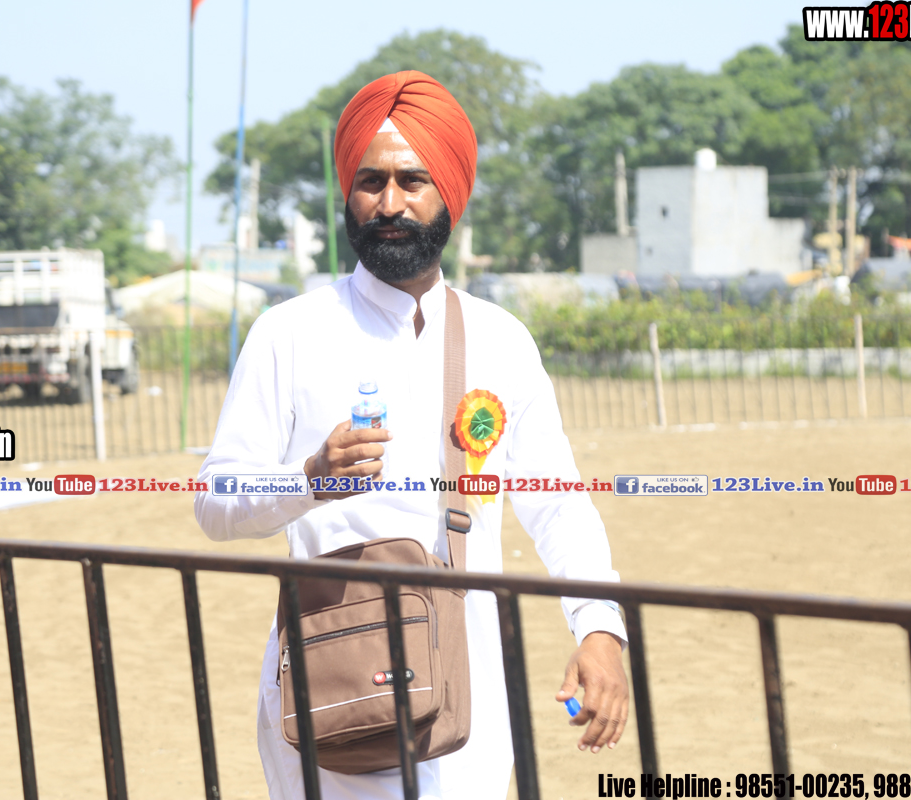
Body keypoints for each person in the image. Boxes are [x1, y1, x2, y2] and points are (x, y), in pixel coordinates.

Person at [194, 70, 629, 800]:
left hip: (469, 696)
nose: (390, 203)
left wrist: (599, 629)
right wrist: (306, 481)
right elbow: (215, 501)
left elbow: (557, 502)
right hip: (333, 692)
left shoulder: (500, 339)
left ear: (449, 191)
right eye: (371, 181)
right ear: (347, 193)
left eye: (412, 180)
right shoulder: (289, 333)